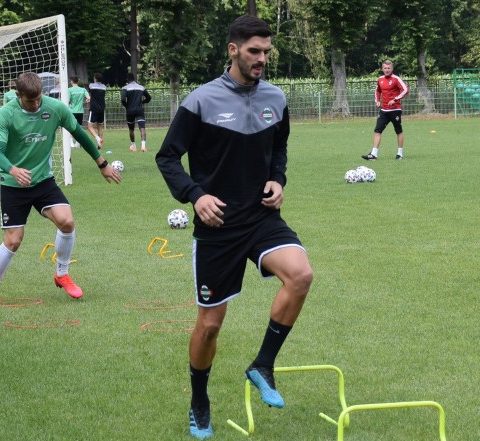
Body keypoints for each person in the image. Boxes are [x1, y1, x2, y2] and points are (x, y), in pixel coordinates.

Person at [155, 15, 313, 440]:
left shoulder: (276, 98)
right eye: (254, 52)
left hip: (261, 217)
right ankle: (199, 402)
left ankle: (262, 364)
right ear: (233, 50)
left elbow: (278, 147)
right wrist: (195, 195)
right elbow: (167, 157)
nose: (262, 59)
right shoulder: (201, 101)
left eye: (266, 52)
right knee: (209, 326)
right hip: (218, 224)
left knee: (300, 275)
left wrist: (278, 180)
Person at [0, 72, 121, 307]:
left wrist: (102, 164)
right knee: (14, 240)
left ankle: (62, 274)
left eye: (38, 99)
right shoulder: (6, 114)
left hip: (43, 181)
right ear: (18, 96)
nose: (35, 105)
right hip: (14, 185)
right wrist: (13, 170)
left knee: (67, 221)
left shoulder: (55, 108)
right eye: (30, 101)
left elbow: (78, 133)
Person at [362, 60, 409, 160]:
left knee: (398, 131)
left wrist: (395, 99)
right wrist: (377, 100)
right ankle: (374, 154)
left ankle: (400, 153)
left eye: (389, 68)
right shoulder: (380, 79)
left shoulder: (396, 79)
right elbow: (377, 90)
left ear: (392, 69)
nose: (387, 70)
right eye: (385, 68)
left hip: (395, 110)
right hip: (384, 110)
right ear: (382, 69)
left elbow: (405, 90)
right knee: (377, 130)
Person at [121, 72, 152, 152]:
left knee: (131, 129)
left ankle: (134, 146)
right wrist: (142, 102)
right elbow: (149, 98)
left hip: (130, 111)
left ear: (127, 79)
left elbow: (123, 99)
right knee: (142, 128)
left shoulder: (125, 88)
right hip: (139, 110)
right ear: (134, 78)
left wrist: (126, 106)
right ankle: (143, 147)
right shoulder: (141, 87)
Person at [68, 76, 90, 148]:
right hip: (80, 111)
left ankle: (71, 143)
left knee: (72, 127)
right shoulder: (83, 89)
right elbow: (88, 98)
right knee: (79, 127)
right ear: (77, 81)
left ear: (71, 81)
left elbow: (67, 100)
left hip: (72, 111)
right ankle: (77, 143)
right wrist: (87, 100)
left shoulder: (69, 90)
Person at [87, 73, 106, 149]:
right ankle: (99, 145)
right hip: (102, 108)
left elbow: (90, 93)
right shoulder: (104, 87)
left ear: (95, 78)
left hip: (94, 108)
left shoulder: (91, 85)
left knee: (89, 126)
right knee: (100, 126)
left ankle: (98, 139)